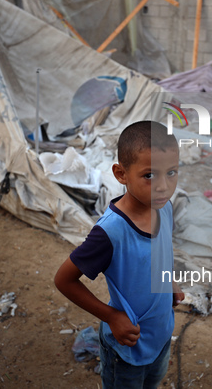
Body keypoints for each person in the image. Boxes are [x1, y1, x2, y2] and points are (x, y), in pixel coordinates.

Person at [55, 120, 184, 388]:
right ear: (121, 174)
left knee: (153, 381)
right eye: (149, 175)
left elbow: (161, 250)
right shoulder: (111, 233)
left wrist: (168, 281)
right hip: (127, 346)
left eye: (171, 173)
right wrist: (112, 317)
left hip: (160, 334)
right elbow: (64, 279)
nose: (163, 186)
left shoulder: (165, 208)